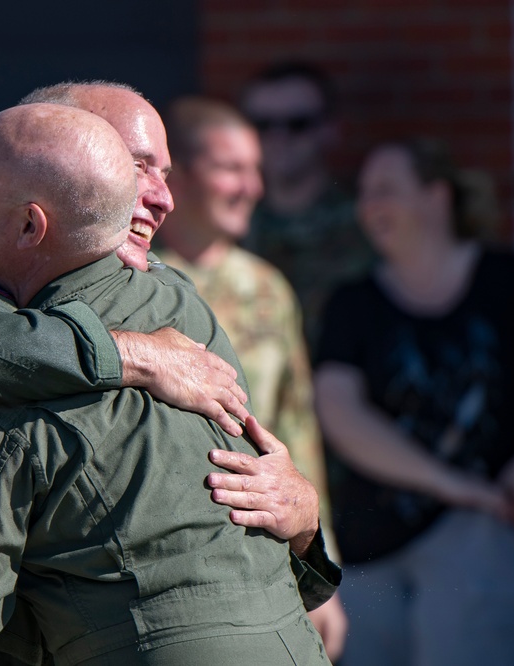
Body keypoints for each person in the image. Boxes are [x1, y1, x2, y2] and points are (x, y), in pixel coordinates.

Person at [0, 82, 337, 665]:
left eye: (164, 170)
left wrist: (305, 515)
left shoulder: (179, 313)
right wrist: (133, 355)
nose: (162, 197)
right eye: (137, 168)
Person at [314, 138, 514, 666]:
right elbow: (341, 414)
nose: (369, 205)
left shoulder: (508, 283)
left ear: (436, 196)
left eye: (386, 190)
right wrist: (455, 485)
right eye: (364, 193)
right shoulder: (353, 302)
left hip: (489, 540)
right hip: (370, 557)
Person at [154, 95, 348, 659]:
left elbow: (296, 430)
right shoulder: (134, 283)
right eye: (231, 168)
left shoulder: (267, 288)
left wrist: (318, 560)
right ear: (181, 177)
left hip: (256, 544)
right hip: (166, 547)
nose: (253, 187)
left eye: (256, 169)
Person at [239, 62, 373, 350]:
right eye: (263, 125)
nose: (279, 137)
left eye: (297, 124)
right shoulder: (227, 223)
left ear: (331, 129)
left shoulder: (368, 221)